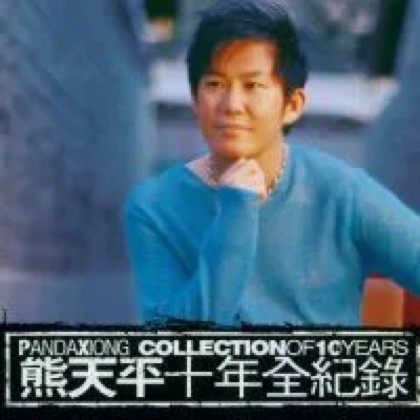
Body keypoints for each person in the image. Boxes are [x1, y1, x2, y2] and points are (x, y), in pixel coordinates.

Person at [124, 0, 420, 327]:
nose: (232, 104)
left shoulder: (343, 194)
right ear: (195, 101)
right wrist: (236, 212)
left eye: (252, 86)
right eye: (215, 84)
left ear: (292, 105)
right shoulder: (154, 207)